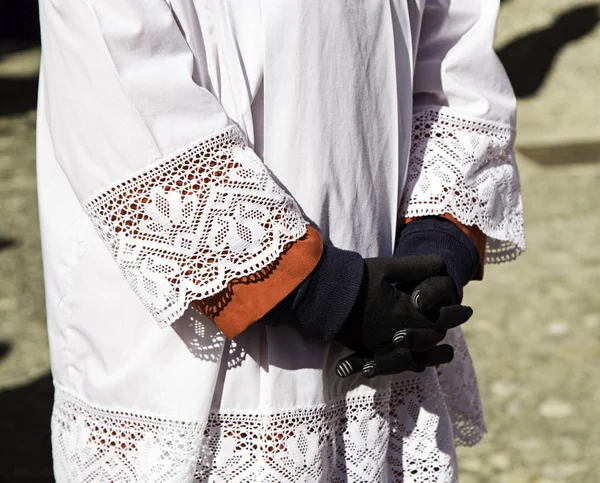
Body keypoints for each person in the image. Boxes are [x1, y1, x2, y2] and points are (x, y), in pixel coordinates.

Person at [37, 0, 524, 480]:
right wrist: (330, 293)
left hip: (382, 308)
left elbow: (451, 53)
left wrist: (433, 251)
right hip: (197, 344)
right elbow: (119, 81)